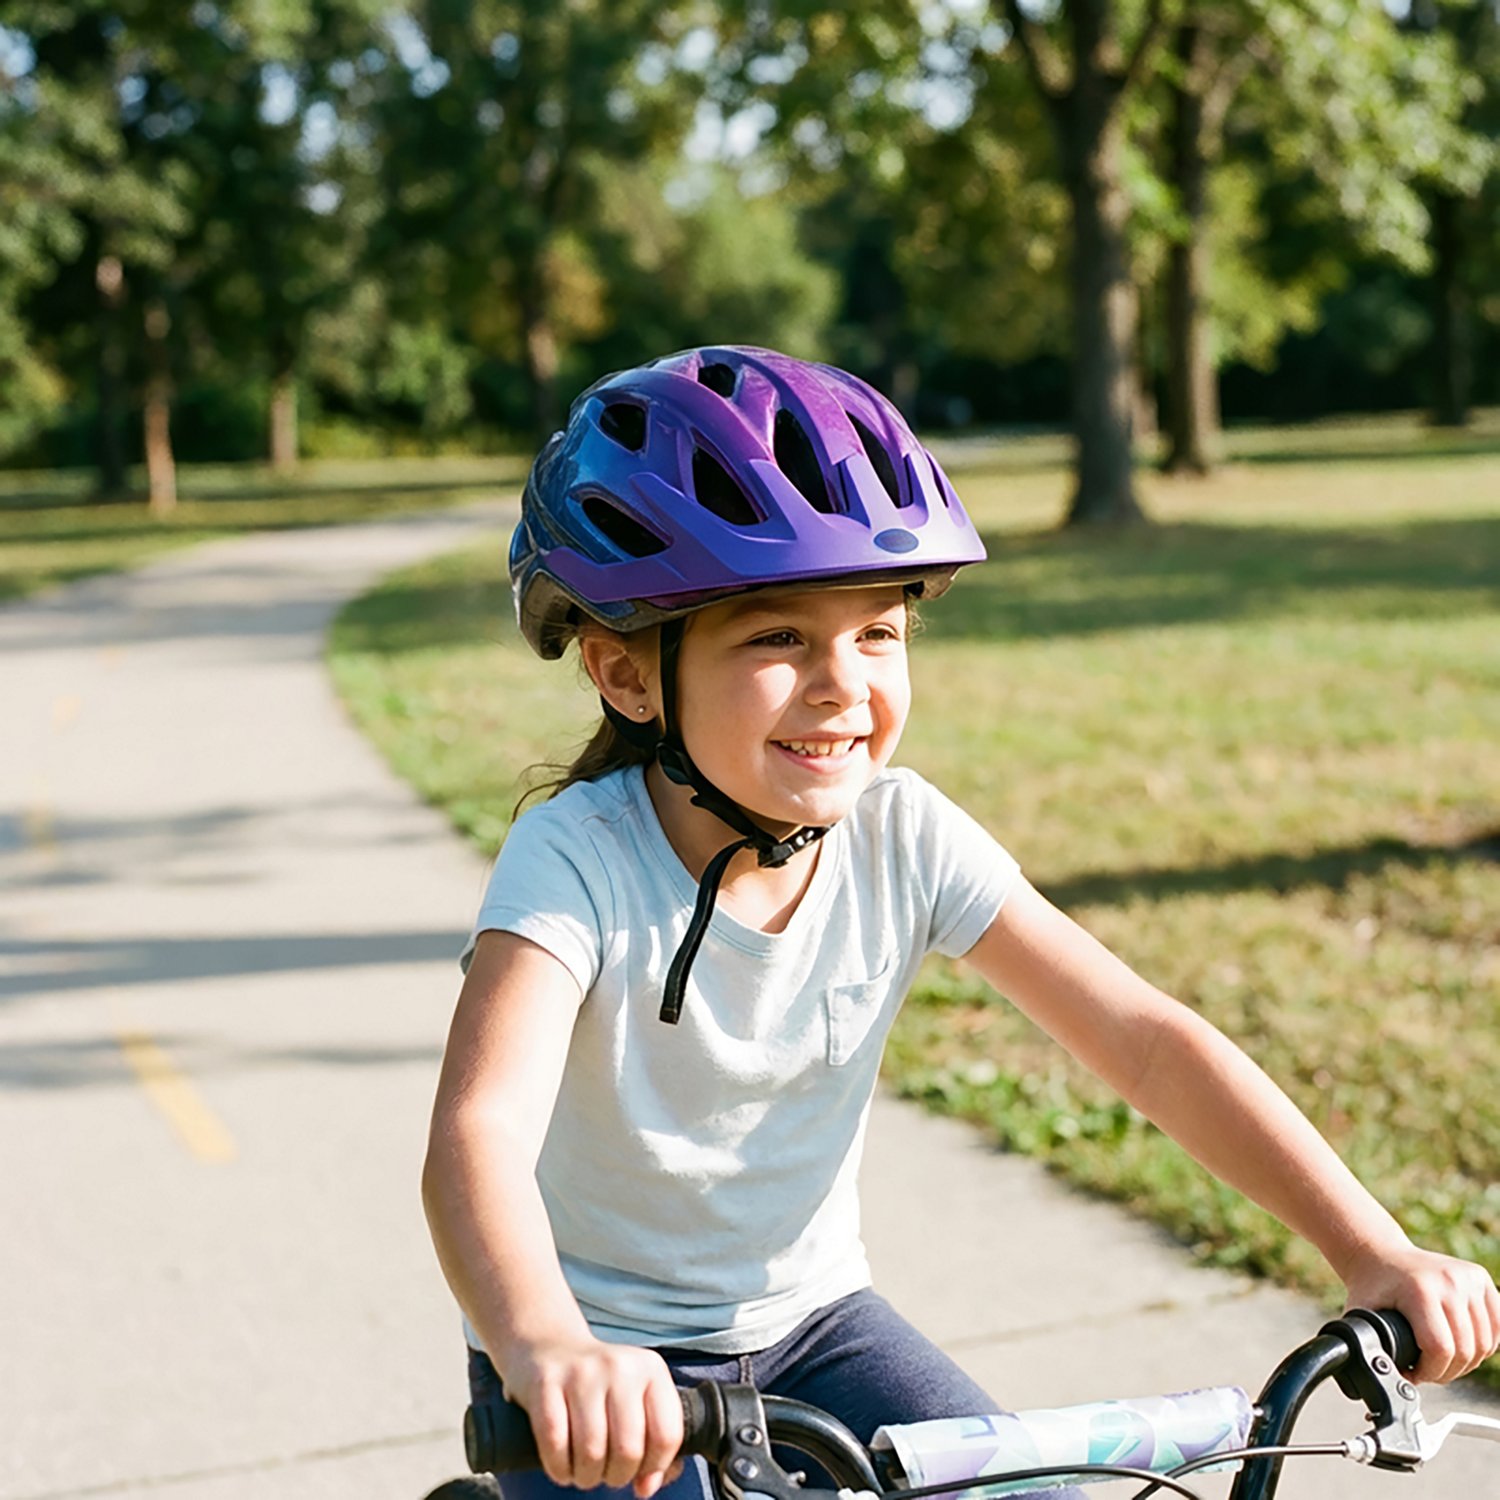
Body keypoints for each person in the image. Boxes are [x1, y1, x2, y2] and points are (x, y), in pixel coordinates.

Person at [422, 345, 1499, 1500]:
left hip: (816, 1327)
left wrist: (1369, 1246)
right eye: (778, 638)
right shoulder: (577, 858)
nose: (842, 685)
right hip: (603, 1361)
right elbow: (479, 1133)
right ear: (628, 677)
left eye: (877, 633)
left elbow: (1144, 1041)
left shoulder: (903, 834)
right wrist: (545, 1343)